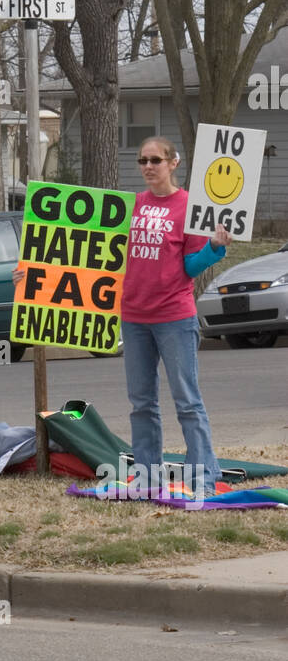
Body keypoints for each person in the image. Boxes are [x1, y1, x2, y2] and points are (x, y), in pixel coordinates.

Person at [120, 136, 230, 496]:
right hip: (134, 318)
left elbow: (190, 265)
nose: (148, 167)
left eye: (155, 160)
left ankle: (204, 478)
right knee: (141, 404)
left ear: (173, 163)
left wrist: (214, 249)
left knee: (187, 402)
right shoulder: (130, 206)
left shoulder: (188, 207)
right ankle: (146, 478)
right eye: (142, 161)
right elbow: (94, 256)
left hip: (174, 318)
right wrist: (34, 272)